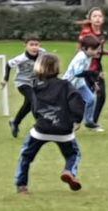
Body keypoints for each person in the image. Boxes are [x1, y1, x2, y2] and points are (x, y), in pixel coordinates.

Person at [14, 53, 86, 195]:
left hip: (41, 129)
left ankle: (22, 186)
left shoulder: (36, 87)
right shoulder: (65, 85)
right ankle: (69, 171)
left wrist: (40, 118)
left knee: (26, 156)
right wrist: (77, 119)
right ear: (57, 68)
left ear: (38, 67)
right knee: (73, 154)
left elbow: (33, 108)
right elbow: (77, 101)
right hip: (64, 130)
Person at [2, 34, 46, 138]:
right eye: (31, 44)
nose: (34, 47)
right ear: (25, 45)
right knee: (34, 100)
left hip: (35, 83)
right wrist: (5, 79)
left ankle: (15, 122)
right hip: (22, 83)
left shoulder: (43, 53)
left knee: (28, 106)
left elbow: (47, 62)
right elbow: (8, 65)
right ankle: (40, 126)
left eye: (36, 44)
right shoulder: (21, 58)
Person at [78, 7, 108, 127]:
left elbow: (96, 51)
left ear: (103, 19)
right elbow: (84, 51)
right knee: (87, 97)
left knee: (100, 96)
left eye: (100, 16)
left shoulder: (102, 34)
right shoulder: (86, 34)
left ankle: (92, 122)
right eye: (95, 16)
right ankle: (74, 120)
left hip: (98, 68)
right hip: (89, 69)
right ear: (90, 19)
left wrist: (106, 52)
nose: (97, 18)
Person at [63, 35, 103, 131]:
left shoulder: (88, 56)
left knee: (91, 99)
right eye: (94, 49)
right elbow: (78, 73)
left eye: (97, 49)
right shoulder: (81, 57)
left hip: (79, 84)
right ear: (85, 48)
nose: (96, 51)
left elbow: (85, 72)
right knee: (71, 105)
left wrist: (93, 83)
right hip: (69, 84)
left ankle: (89, 122)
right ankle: (72, 122)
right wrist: (94, 74)